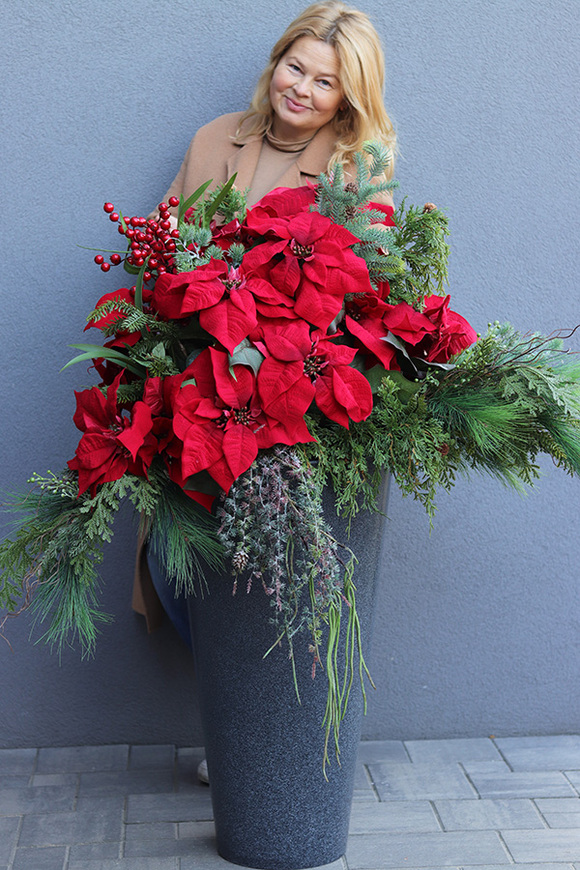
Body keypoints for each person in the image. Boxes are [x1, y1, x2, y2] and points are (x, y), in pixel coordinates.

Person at [132, 0, 398, 642]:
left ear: (348, 97)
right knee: (176, 566)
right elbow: (157, 252)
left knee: (251, 598)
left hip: (278, 414)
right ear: (276, 62)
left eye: (325, 81)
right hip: (190, 390)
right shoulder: (214, 138)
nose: (301, 89)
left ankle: (241, 701)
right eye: (295, 67)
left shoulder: (355, 170)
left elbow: (367, 294)